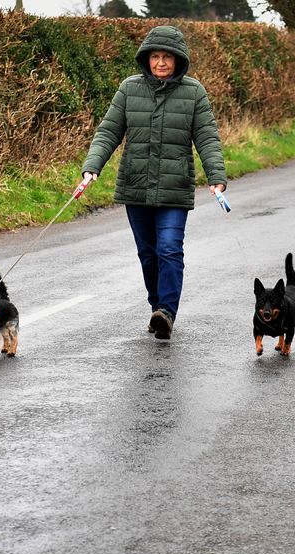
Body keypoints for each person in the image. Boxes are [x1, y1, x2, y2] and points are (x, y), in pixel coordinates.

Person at [80, 25, 227, 339]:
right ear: (146, 59)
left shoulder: (194, 91)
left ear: (178, 60)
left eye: (167, 57)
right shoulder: (129, 89)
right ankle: (157, 308)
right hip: (136, 185)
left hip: (175, 188)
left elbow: (207, 137)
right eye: (155, 57)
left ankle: (167, 312)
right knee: (148, 254)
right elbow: (108, 131)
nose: (161, 63)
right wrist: (92, 167)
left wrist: (216, 177)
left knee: (170, 249)